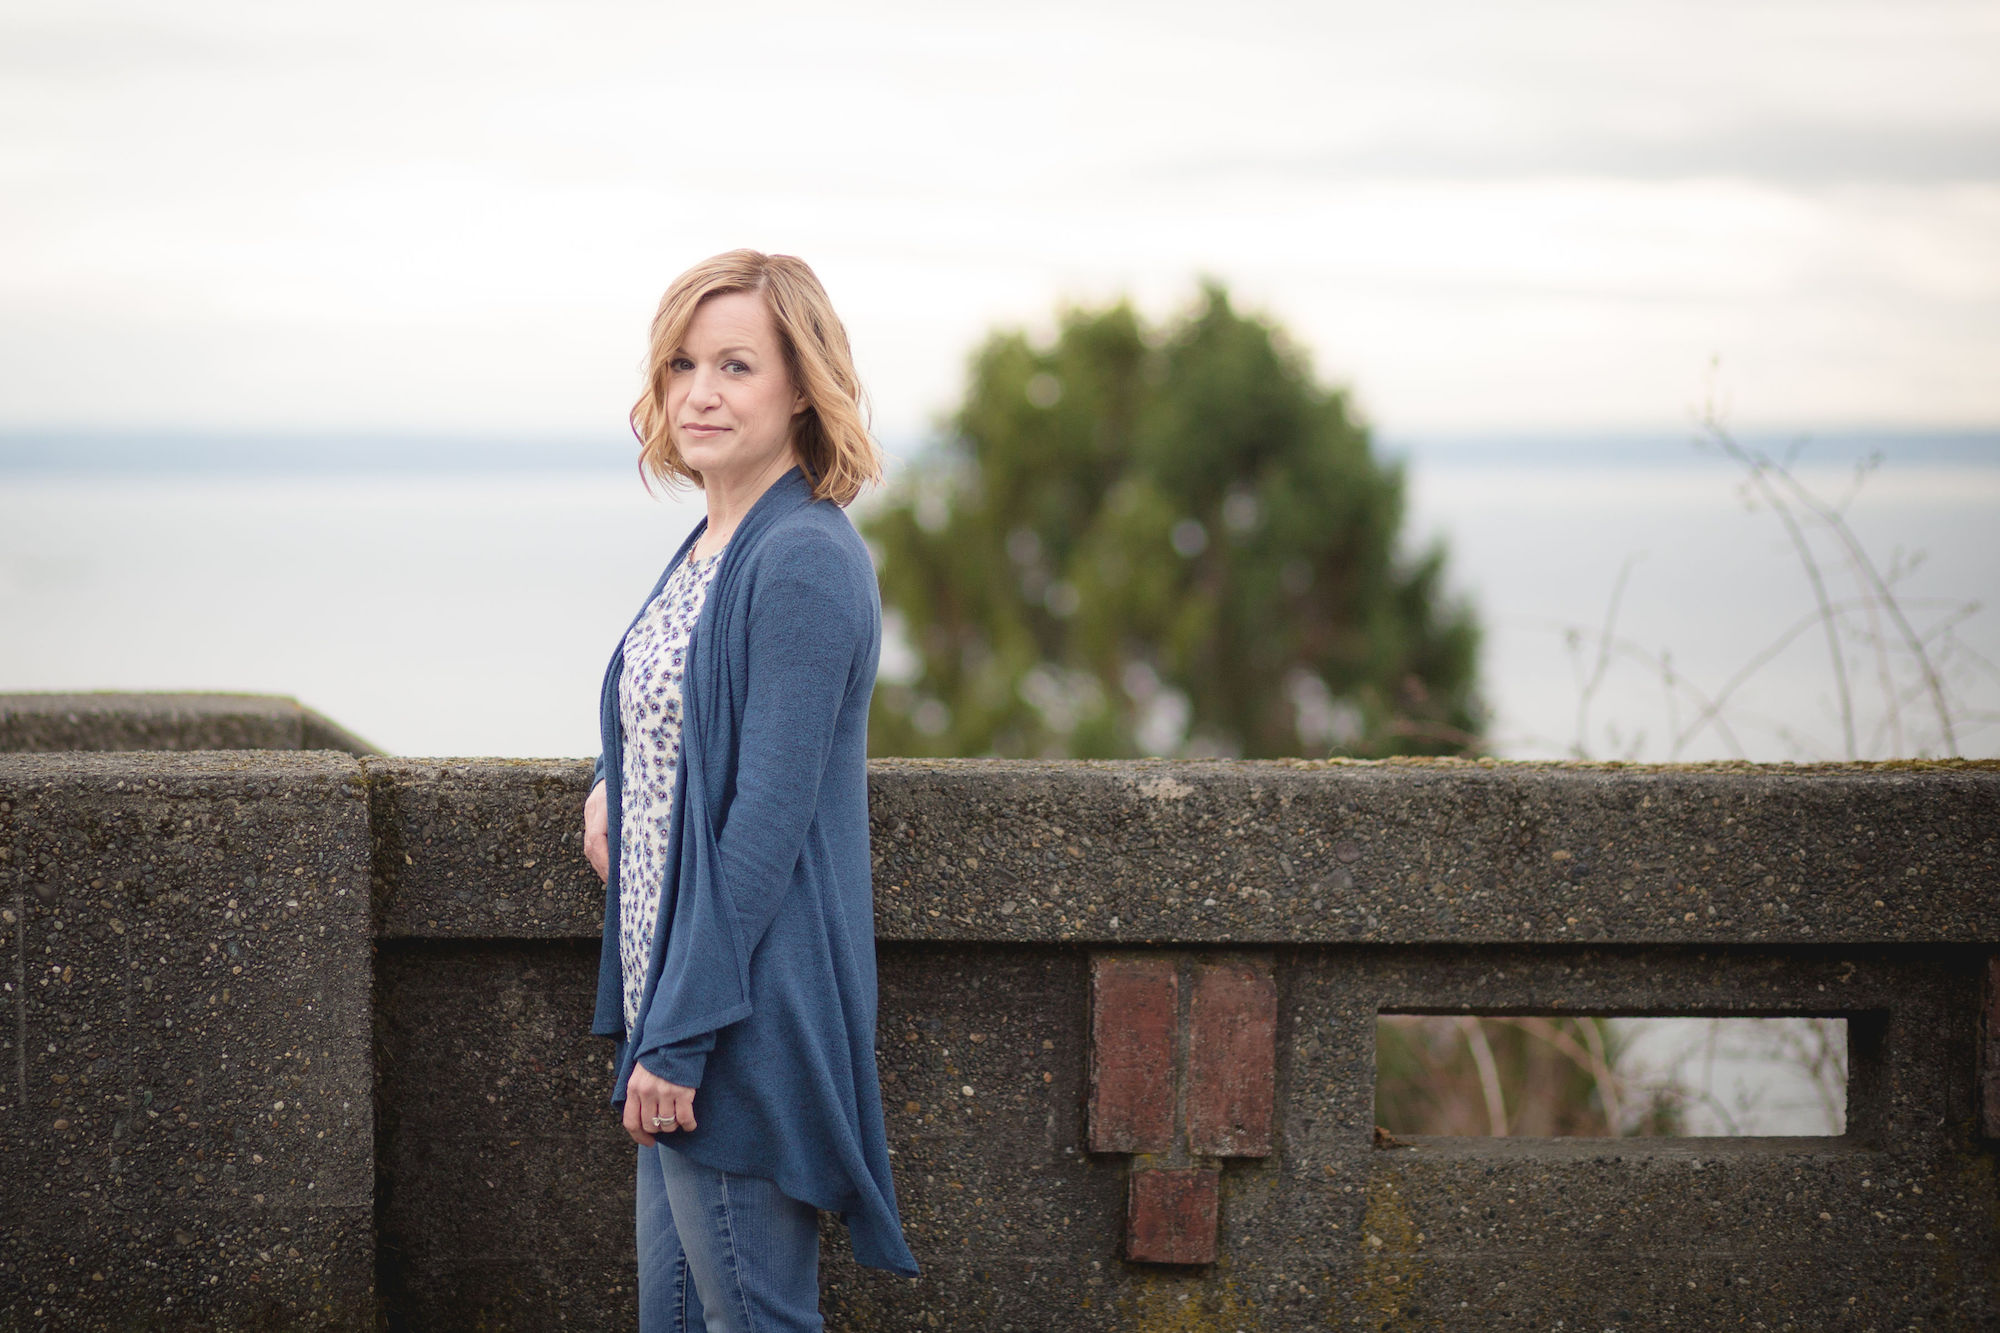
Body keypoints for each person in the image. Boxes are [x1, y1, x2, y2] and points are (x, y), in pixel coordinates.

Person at [581, 249, 918, 1332]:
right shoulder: (712, 546)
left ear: (800, 386)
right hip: (676, 1000)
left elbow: (764, 822)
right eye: (682, 365)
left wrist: (676, 1043)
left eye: (735, 365)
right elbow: (676, 709)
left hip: (738, 1021)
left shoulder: (802, 559)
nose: (701, 393)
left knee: (755, 1320)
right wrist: (611, 783)